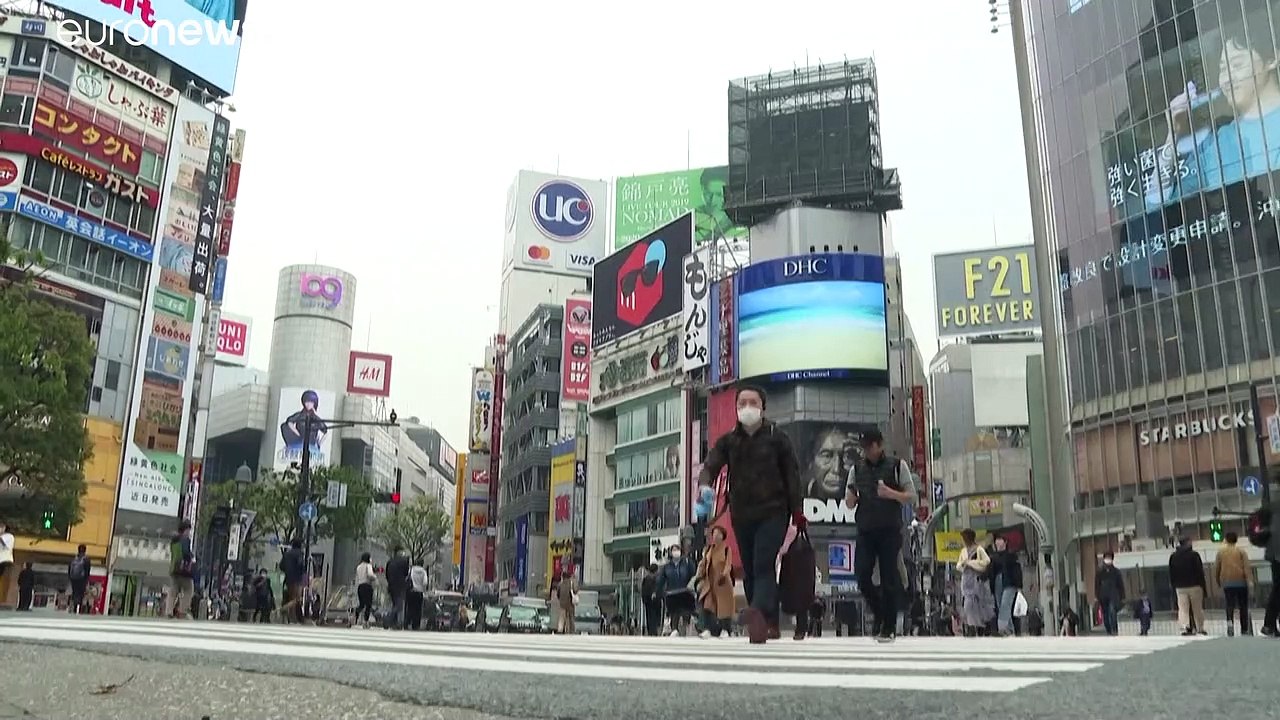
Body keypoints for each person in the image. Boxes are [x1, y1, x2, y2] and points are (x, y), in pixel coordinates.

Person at [698, 385, 804, 644]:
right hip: (742, 513)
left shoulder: (778, 438)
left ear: (762, 407)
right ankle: (770, 623)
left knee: (763, 563)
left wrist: (797, 511)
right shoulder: (729, 441)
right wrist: (704, 484)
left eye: (752, 402)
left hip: (774, 512)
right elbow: (711, 463)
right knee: (751, 570)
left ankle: (757, 610)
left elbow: (792, 475)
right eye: (741, 402)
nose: (746, 407)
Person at [846, 428, 914, 642]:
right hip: (865, 530)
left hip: (889, 530)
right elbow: (848, 502)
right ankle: (879, 612)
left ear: (880, 445)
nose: (867, 451)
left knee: (889, 578)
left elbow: (911, 496)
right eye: (864, 447)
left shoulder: (896, 466)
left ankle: (889, 626)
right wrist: (852, 498)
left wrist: (890, 493)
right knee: (862, 576)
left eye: (870, 446)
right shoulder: (856, 469)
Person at [696, 525, 734, 639]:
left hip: (722, 583)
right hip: (710, 582)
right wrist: (699, 576)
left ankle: (725, 629)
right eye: (714, 533)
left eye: (718, 533)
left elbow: (728, 565)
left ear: (723, 536)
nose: (716, 536)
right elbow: (704, 563)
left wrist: (724, 574)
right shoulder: (709, 549)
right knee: (707, 605)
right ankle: (707, 629)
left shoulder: (726, 549)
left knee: (724, 607)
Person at [956, 529, 993, 637]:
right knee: (968, 604)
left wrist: (971, 563)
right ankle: (971, 626)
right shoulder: (963, 551)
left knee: (978, 604)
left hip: (977, 580)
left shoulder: (979, 549)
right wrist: (963, 564)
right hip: (966, 580)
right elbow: (959, 565)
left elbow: (986, 561)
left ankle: (980, 626)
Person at [1215, 532, 1252, 636]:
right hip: (1241, 582)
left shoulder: (1221, 552)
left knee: (1229, 604)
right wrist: (1249, 580)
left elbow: (1217, 568)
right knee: (1243, 606)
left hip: (1227, 583)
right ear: (1236, 540)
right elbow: (1246, 567)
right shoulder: (1241, 551)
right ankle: (1244, 628)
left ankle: (1230, 623)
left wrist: (1218, 581)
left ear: (1226, 539)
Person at [1169, 536, 1207, 636]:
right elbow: (1199, 572)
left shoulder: (1173, 556)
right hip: (1195, 585)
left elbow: (1171, 573)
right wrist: (1203, 586)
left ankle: (1185, 627)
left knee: (1183, 609)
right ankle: (1199, 628)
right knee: (1197, 608)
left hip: (1180, 587)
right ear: (1188, 543)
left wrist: (1174, 586)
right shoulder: (1194, 555)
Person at [988, 534, 1023, 637]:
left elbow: (1017, 570)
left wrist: (1019, 586)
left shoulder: (1011, 556)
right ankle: (1010, 630)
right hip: (997, 583)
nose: (998, 542)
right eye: (996, 540)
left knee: (1005, 605)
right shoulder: (993, 557)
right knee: (1000, 605)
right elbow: (990, 573)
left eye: (1000, 540)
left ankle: (1002, 627)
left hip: (1009, 583)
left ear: (1005, 542)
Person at [657, 545, 696, 637]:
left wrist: (694, 589)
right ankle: (674, 629)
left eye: (677, 550)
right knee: (674, 612)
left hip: (685, 592)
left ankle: (686, 629)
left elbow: (693, 576)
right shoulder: (667, 566)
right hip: (672, 593)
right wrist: (658, 591)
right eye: (673, 550)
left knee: (686, 611)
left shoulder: (687, 563)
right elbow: (661, 580)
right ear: (670, 552)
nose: (675, 552)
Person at [167, 520, 195, 619]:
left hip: (174, 568)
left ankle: (169, 611)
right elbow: (186, 553)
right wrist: (191, 556)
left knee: (173, 591)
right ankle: (182, 611)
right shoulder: (185, 539)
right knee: (189, 590)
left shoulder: (173, 540)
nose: (189, 532)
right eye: (189, 530)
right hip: (184, 570)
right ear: (186, 529)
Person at [277, 538, 308, 624]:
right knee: (296, 599)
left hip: (287, 579)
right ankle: (284, 610)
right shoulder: (299, 554)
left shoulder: (286, 554)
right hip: (296, 579)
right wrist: (303, 574)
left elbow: (281, 566)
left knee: (291, 598)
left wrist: (287, 571)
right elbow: (301, 565)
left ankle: (291, 618)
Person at [1094, 551, 1125, 636]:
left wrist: (1122, 596)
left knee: (1112, 611)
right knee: (1105, 613)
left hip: (1113, 595)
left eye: (1110, 557)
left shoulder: (1116, 571)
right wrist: (1096, 596)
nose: (1108, 559)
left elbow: (1120, 584)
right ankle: (1108, 630)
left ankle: (1114, 629)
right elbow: (1097, 584)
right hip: (1103, 595)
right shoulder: (1100, 571)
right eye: (1107, 557)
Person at [384, 546, 410, 629]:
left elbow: (387, 574)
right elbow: (406, 573)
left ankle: (394, 624)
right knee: (399, 606)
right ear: (400, 552)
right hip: (400, 586)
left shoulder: (390, 561)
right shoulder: (404, 561)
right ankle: (388, 618)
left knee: (394, 604)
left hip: (391, 585)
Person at [354, 552, 377, 629]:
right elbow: (370, 574)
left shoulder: (358, 566)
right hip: (367, 586)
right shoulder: (368, 566)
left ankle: (355, 616)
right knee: (368, 605)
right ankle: (365, 621)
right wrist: (375, 577)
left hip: (360, 586)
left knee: (361, 604)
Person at [66, 544, 91, 614]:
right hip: (82, 579)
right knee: (80, 594)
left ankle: (74, 607)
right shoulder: (86, 559)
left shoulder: (74, 559)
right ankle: (78, 608)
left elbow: (69, 569)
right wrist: (86, 580)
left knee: (75, 593)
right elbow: (87, 571)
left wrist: (71, 578)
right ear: (85, 550)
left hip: (74, 579)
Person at [407, 558, 427, 630]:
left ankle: (408, 622)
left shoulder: (411, 570)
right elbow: (425, 582)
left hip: (411, 591)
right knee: (418, 610)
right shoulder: (423, 572)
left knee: (410, 608)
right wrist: (423, 589)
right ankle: (415, 625)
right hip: (419, 592)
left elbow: (408, 578)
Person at [640, 564, 660, 636]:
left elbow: (643, 591)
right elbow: (655, 590)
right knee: (654, 617)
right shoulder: (654, 580)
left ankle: (650, 631)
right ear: (656, 571)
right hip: (653, 602)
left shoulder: (646, 579)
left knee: (649, 617)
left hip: (647, 601)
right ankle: (653, 631)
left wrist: (644, 599)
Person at [559, 564, 578, 635]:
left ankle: (561, 629)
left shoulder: (560, 584)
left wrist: (560, 599)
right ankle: (572, 630)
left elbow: (558, 593)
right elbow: (576, 591)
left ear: (563, 577)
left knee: (562, 617)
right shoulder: (571, 583)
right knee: (571, 617)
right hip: (570, 603)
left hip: (562, 604)